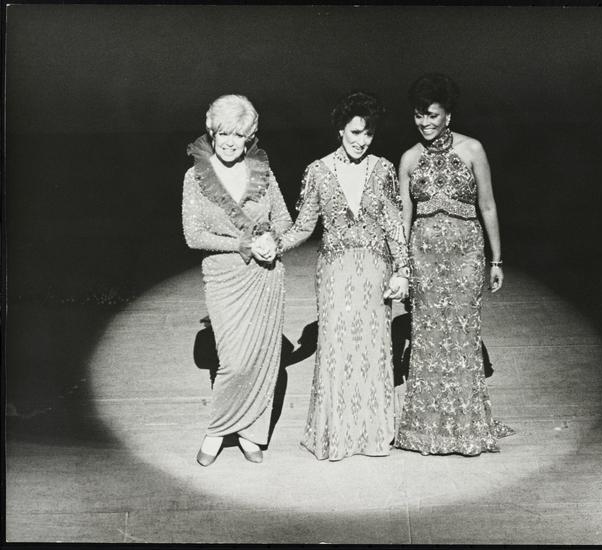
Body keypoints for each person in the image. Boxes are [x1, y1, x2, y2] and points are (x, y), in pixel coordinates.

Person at [279, 91, 409, 461]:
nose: (361, 141)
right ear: (340, 130)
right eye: (355, 132)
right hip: (335, 273)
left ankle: (373, 436)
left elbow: (393, 225)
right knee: (336, 349)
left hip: (374, 271)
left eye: (368, 134)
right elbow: (303, 226)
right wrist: (274, 244)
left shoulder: (383, 169)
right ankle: (336, 436)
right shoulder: (318, 171)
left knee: (373, 350)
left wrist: (403, 271)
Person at [394, 73, 514, 456]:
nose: (424, 123)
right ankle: (426, 428)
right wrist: (402, 267)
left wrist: (496, 259)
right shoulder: (409, 159)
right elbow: (403, 220)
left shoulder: (473, 149)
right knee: (427, 338)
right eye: (418, 115)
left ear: (448, 114)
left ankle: (467, 426)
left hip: (466, 256)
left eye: (432, 115)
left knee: (462, 335)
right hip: (423, 259)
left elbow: (488, 206)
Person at [182, 94, 292, 465]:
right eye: (224, 133)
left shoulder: (262, 171)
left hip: (265, 275)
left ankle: (250, 433)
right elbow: (193, 235)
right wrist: (242, 243)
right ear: (212, 133)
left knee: (262, 359)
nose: (230, 141)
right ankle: (217, 430)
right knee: (234, 360)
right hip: (223, 276)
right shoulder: (195, 177)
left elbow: (283, 220)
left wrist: (272, 240)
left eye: (238, 134)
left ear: (249, 136)